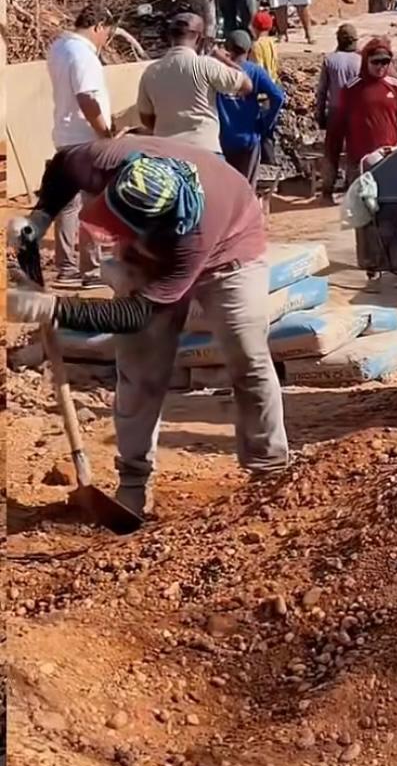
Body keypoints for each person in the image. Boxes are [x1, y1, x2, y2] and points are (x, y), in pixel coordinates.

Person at [7, 140, 291, 518]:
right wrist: (39, 217)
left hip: (231, 253)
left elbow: (136, 314)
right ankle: (134, 485)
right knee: (139, 369)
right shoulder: (108, 160)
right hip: (157, 244)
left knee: (248, 357)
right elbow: (62, 165)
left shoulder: (190, 239)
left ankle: (268, 474)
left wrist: (56, 308)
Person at [45, 2, 116, 289]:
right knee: (93, 206)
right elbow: (87, 98)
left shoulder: (59, 48)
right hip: (86, 139)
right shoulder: (83, 55)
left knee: (69, 207)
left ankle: (66, 267)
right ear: (98, 26)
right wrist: (105, 132)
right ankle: (91, 271)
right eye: (106, 33)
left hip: (64, 137)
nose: (105, 40)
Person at [137, 13, 253, 155]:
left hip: (166, 153)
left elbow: (145, 118)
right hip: (205, 149)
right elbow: (246, 85)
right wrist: (225, 59)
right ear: (200, 39)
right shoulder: (206, 65)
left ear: (170, 37)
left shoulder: (151, 72)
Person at [322, 36, 397, 200]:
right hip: (359, 164)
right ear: (366, 61)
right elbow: (337, 131)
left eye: (385, 62)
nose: (381, 66)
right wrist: (329, 179)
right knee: (362, 214)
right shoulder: (350, 89)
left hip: (389, 159)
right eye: (376, 62)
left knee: (391, 209)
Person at [217, 30, 286, 188]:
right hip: (248, 138)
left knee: (225, 187)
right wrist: (265, 123)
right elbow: (278, 97)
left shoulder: (217, 71)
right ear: (249, 50)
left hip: (222, 138)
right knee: (247, 188)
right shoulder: (255, 71)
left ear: (228, 48)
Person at [315, 23, 362, 131]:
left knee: (334, 146)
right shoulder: (361, 61)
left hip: (335, 113)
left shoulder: (330, 60)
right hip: (357, 112)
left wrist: (320, 116)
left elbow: (322, 91)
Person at [250, 11, 280, 80]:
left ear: (254, 27)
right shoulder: (273, 42)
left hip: (262, 83)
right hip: (273, 79)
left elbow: (256, 68)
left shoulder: (256, 46)